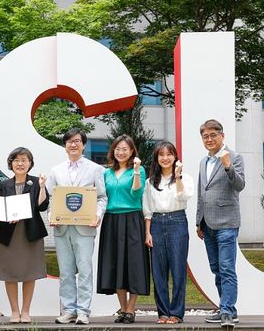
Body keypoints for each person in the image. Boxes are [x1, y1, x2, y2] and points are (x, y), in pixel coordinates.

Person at [46, 128, 107, 325]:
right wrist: (51, 215)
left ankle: (83, 311)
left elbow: (102, 197)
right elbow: (51, 199)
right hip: (62, 227)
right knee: (66, 271)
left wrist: (97, 215)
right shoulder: (56, 171)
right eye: (69, 141)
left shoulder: (95, 169)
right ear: (65, 146)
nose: (73, 144)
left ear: (83, 144)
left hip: (85, 228)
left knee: (85, 270)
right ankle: (69, 310)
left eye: (77, 141)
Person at [195, 119, 245, 328]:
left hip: (226, 223)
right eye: (205, 136)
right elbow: (201, 193)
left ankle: (227, 311)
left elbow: (240, 185)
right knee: (216, 268)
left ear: (222, 136)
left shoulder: (234, 157)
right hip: (207, 224)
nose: (209, 139)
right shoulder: (203, 161)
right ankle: (226, 308)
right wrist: (199, 221)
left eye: (213, 135)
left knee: (227, 268)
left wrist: (227, 166)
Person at [97, 134, 149, 324]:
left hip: (133, 219)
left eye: (125, 149)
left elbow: (137, 191)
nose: (121, 152)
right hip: (111, 221)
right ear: (113, 151)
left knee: (134, 263)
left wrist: (135, 170)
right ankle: (122, 307)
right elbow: (101, 197)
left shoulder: (140, 170)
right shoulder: (106, 173)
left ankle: (131, 308)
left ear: (132, 151)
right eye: (118, 149)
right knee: (116, 263)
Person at [0, 147, 49, 324]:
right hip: (8, 235)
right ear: (11, 163)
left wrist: (41, 187)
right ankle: (14, 311)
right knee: (9, 273)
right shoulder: (4, 185)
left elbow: (42, 206)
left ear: (30, 163)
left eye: (24, 160)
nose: (20, 163)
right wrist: (4, 216)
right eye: (16, 160)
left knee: (29, 273)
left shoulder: (36, 182)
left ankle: (25, 311)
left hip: (30, 233)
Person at [143, 141, 194, 324]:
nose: (165, 158)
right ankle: (163, 313)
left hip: (177, 222)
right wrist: (148, 233)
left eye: (169, 154)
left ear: (175, 157)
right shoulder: (150, 181)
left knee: (178, 270)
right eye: (161, 155)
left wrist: (178, 176)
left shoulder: (185, 178)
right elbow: (147, 209)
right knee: (158, 272)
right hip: (156, 223)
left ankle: (176, 313)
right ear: (157, 158)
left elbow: (184, 196)